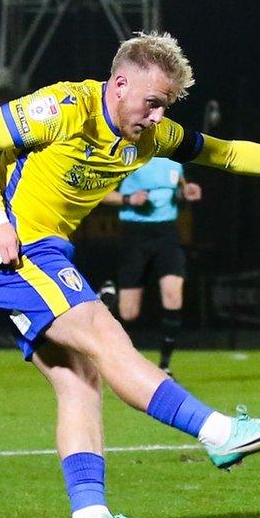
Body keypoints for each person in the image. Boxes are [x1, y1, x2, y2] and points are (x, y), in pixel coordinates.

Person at [0, 31, 260, 518]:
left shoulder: (151, 136)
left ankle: (90, 517)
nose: (156, 117)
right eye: (151, 103)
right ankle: (220, 434)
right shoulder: (64, 108)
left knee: (79, 380)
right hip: (13, 253)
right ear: (119, 84)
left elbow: (229, 154)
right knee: (107, 336)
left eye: (165, 107)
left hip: (47, 251)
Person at [99, 157, 200, 375]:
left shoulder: (174, 161)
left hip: (167, 235)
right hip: (135, 234)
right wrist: (128, 198)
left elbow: (179, 192)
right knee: (128, 313)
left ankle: (165, 365)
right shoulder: (128, 157)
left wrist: (186, 192)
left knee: (173, 296)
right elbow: (99, 194)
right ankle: (106, 298)